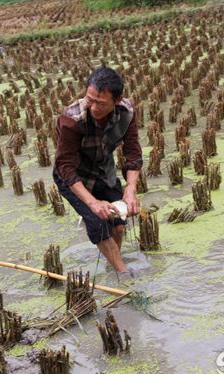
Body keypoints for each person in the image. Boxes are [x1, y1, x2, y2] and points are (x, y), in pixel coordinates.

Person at [53, 67, 142, 276]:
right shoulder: (72, 119)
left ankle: (112, 262)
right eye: (90, 99)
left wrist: (131, 189)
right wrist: (92, 203)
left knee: (118, 225)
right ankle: (123, 276)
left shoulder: (126, 112)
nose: (93, 107)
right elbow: (65, 166)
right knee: (99, 224)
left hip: (104, 171)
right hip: (74, 178)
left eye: (101, 103)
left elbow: (133, 153)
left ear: (117, 100)